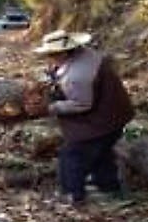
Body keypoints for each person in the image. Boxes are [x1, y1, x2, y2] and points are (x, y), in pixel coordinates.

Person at [25, 30, 134, 205]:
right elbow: (60, 72)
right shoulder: (83, 53)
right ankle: (109, 187)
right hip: (115, 115)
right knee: (101, 153)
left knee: (72, 155)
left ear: (63, 52)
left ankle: (72, 194)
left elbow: (82, 104)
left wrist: (48, 108)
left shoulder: (78, 76)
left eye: (52, 54)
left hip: (101, 119)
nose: (49, 58)